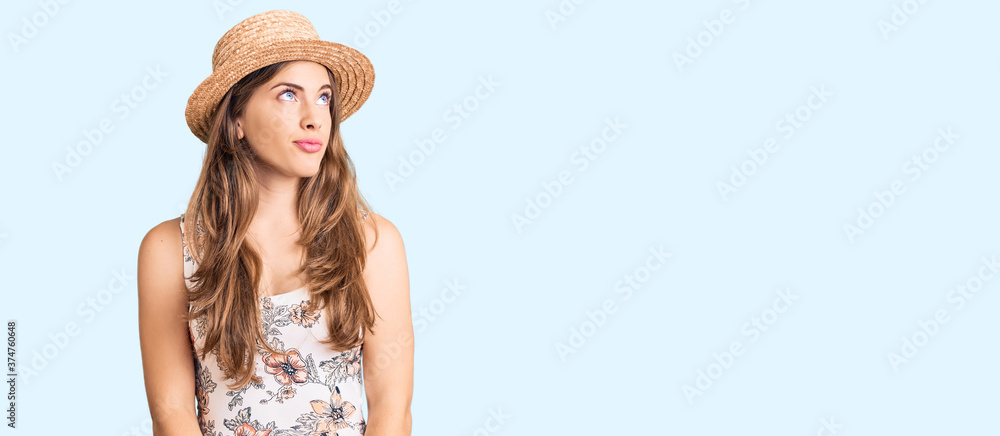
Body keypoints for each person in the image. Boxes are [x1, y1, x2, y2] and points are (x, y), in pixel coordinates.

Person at [136, 10, 413, 436]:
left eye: (324, 97)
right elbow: (171, 413)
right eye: (288, 94)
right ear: (238, 119)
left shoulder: (372, 242)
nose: (315, 118)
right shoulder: (170, 248)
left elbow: (392, 407)